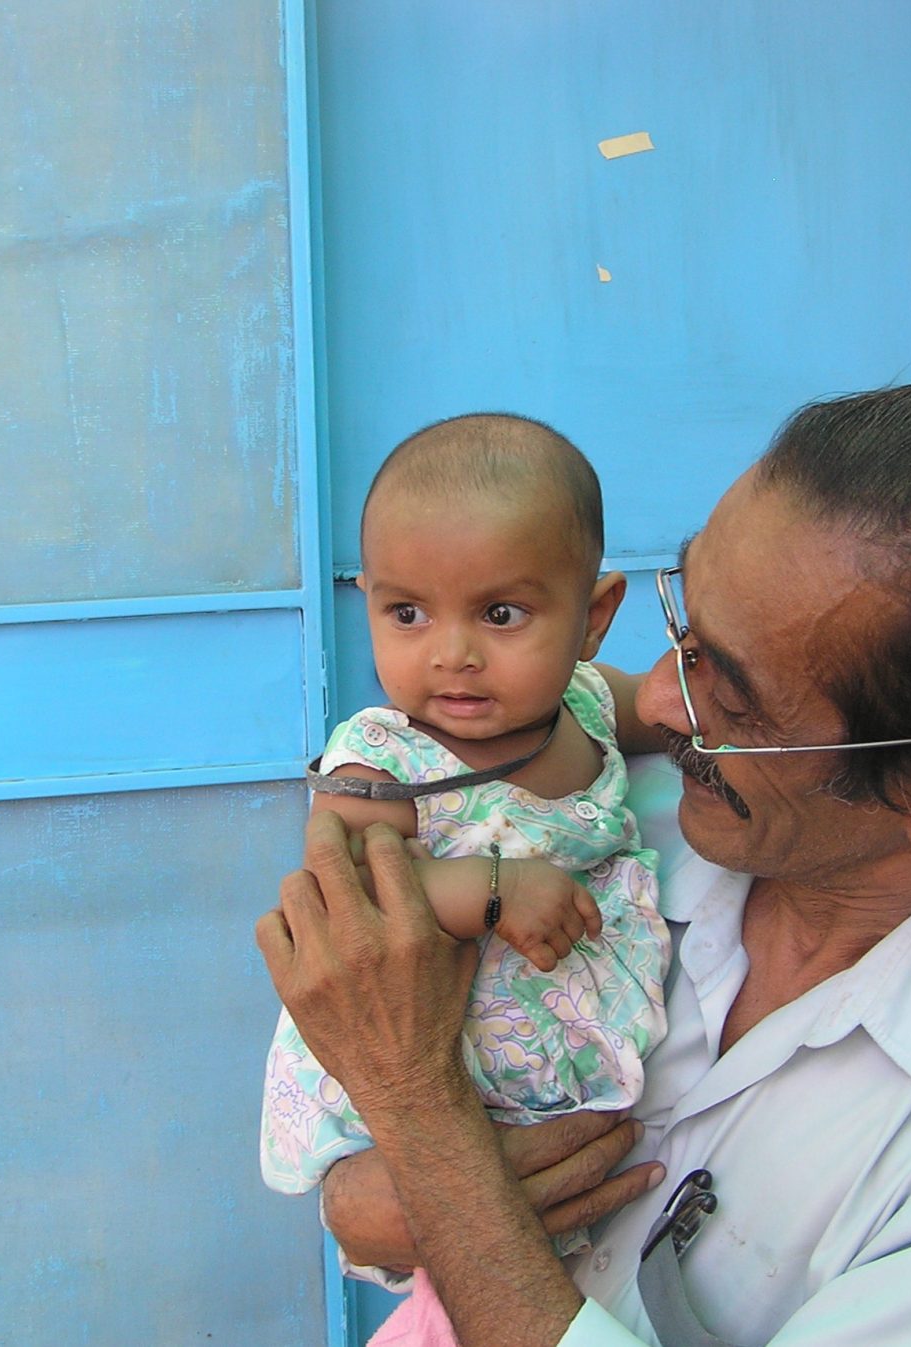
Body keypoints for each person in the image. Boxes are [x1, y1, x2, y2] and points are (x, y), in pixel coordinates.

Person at [258, 383, 911, 1347]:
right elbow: (368, 1030)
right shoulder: (616, 809)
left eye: (742, 696)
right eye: (688, 633)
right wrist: (370, 1196)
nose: (668, 711)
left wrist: (432, 1137)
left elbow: (421, 1101)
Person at [260, 415, 673, 1345]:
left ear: (593, 614)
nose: (452, 653)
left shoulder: (582, 699)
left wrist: (678, 698)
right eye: (407, 613)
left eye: (500, 614)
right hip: (443, 1057)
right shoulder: (380, 756)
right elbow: (354, 905)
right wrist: (491, 886)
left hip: (562, 1065)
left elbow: (650, 711)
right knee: (465, 1278)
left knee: (564, 1257)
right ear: (367, 600)